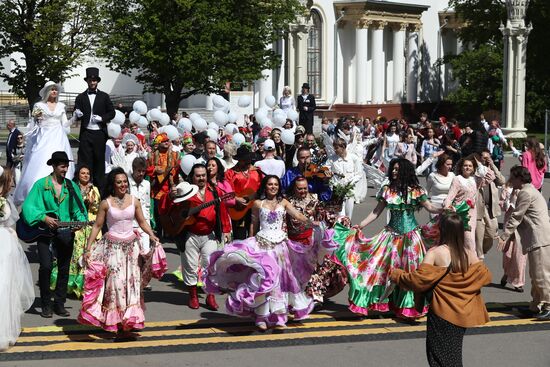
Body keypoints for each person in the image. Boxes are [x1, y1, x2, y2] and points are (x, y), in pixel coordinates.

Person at [206, 175, 316, 330]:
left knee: (280, 281)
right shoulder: (257, 204)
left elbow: (297, 215)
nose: (273, 187)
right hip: (263, 246)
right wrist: (250, 244)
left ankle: (279, 317)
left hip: (280, 248)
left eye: (276, 184)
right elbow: (254, 223)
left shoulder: (284, 202)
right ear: (265, 186)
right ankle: (261, 317)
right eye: (270, 184)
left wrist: (313, 223)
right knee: (262, 281)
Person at [336, 158, 442, 318]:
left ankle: (411, 306)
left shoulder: (416, 190)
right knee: (381, 269)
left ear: (405, 171)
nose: (393, 171)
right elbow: (376, 212)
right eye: (393, 169)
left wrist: (443, 210)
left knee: (410, 271)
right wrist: (360, 225)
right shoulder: (388, 190)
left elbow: (430, 207)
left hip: (411, 238)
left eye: (397, 169)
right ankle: (385, 302)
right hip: (391, 236)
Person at [391, 213, 491, 367]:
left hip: (442, 314)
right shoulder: (469, 254)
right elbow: (484, 276)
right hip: (463, 314)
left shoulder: (435, 253)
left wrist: (396, 274)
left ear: (442, 229)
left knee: (438, 358)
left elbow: (417, 280)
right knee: (453, 356)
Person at [78, 167, 160, 333]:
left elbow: (142, 222)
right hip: (112, 248)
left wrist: (152, 235)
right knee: (115, 284)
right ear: (113, 185)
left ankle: (128, 319)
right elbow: (97, 226)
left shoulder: (134, 201)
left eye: (124, 182)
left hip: (131, 248)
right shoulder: (105, 203)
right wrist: (88, 248)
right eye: (119, 182)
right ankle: (113, 320)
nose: (123, 185)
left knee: (131, 283)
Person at [21, 151, 87, 318]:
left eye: (67, 166)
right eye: (62, 166)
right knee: (46, 267)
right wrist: (44, 217)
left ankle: (59, 303)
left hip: (66, 233)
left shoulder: (71, 186)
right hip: (44, 233)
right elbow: (28, 208)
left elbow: (80, 210)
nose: (65, 169)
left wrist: (79, 222)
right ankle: (45, 304)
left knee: (64, 269)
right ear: (54, 166)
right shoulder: (41, 185)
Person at [175, 164, 231, 310]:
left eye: (203, 175)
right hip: (190, 235)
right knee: (190, 266)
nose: (201, 178)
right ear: (192, 177)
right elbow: (174, 208)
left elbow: (222, 211)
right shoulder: (186, 192)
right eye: (198, 175)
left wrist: (225, 230)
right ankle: (193, 296)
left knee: (210, 266)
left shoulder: (214, 192)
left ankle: (210, 296)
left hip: (209, 235)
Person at [498, 166, 550, 320]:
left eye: (512, 178)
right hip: (539, 237)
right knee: (536, 274)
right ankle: (535, 306)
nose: (510, 180)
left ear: (520, 178)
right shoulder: (530, 190)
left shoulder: (526, 193)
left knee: (541, 274)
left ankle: (548, 305)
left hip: (539, 238)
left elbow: (516, 216)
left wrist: (504, 236)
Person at [14, 81, 75, 205]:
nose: (54, 92)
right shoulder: (39, 106)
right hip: (44, 137)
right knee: (40, 162)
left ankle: (60, 192)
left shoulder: (61, 106)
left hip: (58, 137)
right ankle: (38, 193)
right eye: (52, 89)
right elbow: (33, 125)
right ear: (47, 91)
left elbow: (65, 125)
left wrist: (74, 118)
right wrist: (37, 120)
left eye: (56, 89)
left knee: (60, 161)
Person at [51, 164, 101, 298]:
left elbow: (99, 209)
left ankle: (86, 286)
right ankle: (69, 285)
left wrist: (92, 204)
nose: (86, 175)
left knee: (89, 254)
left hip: (90, 224)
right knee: (74, 254)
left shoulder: (94, 189)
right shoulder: (72, 187)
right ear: (78, 175)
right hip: (75, 225)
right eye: (83, 173)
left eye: (88, 173)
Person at [0, 166, 34, 350]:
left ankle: (3, 330)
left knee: (5, 286)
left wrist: (16, 249)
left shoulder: (6, 202)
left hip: (5, 246)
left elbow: (11, 227)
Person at [74, 67, 116, 190]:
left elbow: (112, 112)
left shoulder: (104, 96)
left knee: (99, 162)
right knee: (85, 162)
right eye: (90, 80)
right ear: (87, 81)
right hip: (86, 132)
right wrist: (77, 113)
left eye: (94, 80)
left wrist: (102, 118)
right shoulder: (81, 97)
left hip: (99, 134)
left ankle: (100, 191)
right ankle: (84, 189)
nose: (92, 83)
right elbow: (76, 111)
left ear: (97, 81)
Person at [443, 156, 486, 253]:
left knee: (469, 238)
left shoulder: (475, 179)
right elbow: (450, 196)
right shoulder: (457, 179)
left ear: (473, 168)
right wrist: (447, 206)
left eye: (470, 166)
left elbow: (485, 173)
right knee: (462, 239)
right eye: (465, 165)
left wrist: (477, 161)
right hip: (459, 211)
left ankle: (471, 262)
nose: (467, 168)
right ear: (461, 167)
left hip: (471, 212)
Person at [225, 146, 263, 240]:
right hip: (239, 208)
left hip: (254, 207)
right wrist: (237, 199)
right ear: (239, 160)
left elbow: (261, 188)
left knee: (254, 236)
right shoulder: (230, 173)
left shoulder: (257, 171)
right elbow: (227, 191)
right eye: (244, 160)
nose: (247, 162)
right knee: (240, 237)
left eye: (248, 159)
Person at [475, 150, 505, 259]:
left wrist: (492, 164)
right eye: (484, 157)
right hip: (479, 207)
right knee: (478, 235)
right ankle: (478, 257)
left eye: (488, 157)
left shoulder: (492, 170)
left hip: (491, 209)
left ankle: (481, 251)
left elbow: (502, 181)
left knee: (491, 233)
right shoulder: (476, 170)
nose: (486, 159)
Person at [499, 184, 526, 293]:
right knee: (508, 253)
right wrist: (509, 201)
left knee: (520, 254)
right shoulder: (507, 188)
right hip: (509, 222)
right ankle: (506, 273)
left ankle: (518, 282)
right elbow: (502, 206)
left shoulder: (527, 190)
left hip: (523, 223)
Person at [328, 137, 362, 220]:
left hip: (349, 190)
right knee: (340, 216)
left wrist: (350, 182)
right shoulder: (332, 159)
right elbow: (326, 168)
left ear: (343, 147)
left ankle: (347, 230)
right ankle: (341, 230)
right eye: (334, 148)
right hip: (337, 190)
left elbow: (359, 174)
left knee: (348, 215)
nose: (335, 150)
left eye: (337, 148)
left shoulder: (353, 158)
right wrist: (327, 172)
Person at [206, 157, 235, 244]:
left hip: (223, 216)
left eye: (213, 165)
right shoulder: (204, 182)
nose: (210, 167)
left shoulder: (224, 183)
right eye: (208, 165)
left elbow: (232, 201)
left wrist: (221, 197)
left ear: (218, 168)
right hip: (208, 216)